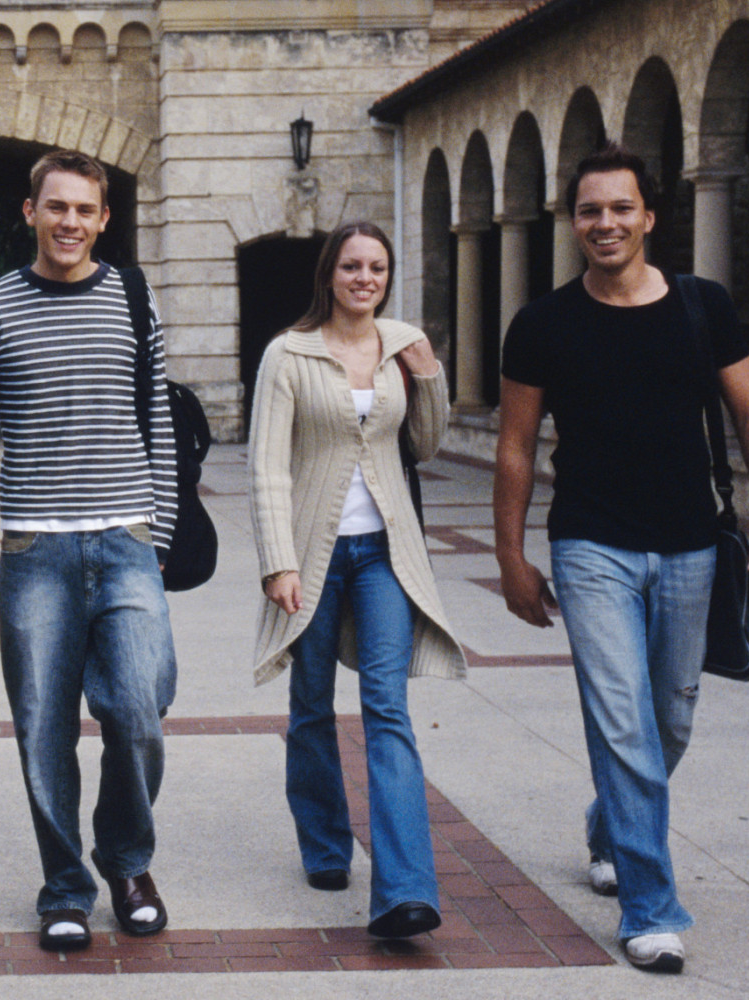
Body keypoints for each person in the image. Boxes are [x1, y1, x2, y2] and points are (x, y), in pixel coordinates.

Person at [495, 142, 749, 974]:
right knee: (622, 720)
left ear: (649, 217)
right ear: (572, 221)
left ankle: (608, 827)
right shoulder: (543, 323)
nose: (605, 223)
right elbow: (517, 448)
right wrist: (511, 555)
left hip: (694, 546)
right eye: (589, 210)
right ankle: (650, 907)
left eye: (620, 208)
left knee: (670, 720)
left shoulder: (702, 307)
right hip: (591, 545)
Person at [0, 149, 179, 951]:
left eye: (85, 210)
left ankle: (127, 858)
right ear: (29, 212)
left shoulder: (134, 300)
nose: (69, 222)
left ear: (104, 218)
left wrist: (161, 536)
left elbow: (159, 422)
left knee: (139, 710)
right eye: (56, 207)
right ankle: (66, 886)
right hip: (35, 549)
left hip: (127, 537)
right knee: (43, 729)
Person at [247, 220, 465, 940]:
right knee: (311, 704)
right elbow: (267, 467)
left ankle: (405, 890)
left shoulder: (400, 348)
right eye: (351, 266)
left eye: (376, 267)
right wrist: (277, 560)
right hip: (312, 556)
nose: (364, 278)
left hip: (384, 554)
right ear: (329, 275)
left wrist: (429, 372)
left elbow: (426, 444)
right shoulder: (289, 353)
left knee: (387, 709)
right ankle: (325, 843)